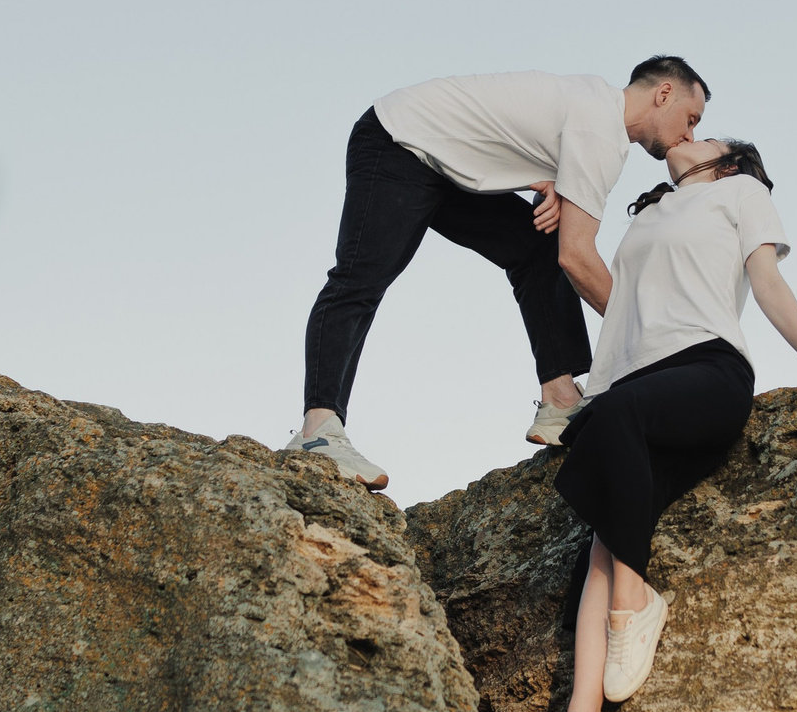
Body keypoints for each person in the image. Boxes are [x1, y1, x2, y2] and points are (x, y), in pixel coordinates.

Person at [536, 136, 797, 712]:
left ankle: (635, 605)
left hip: (707, 375)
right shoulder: (647, 215)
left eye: (709, 134)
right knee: (602, 536)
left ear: (731, 162)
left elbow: (767, 278)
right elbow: (619, 311)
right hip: (631, 388)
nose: (693, 133)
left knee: (617, 427)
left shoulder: (742, 194)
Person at [289, 58, 712, 490]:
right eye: (691, 118)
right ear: (663, 94)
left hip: (444, 165)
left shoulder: (594, 107)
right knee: (359, 280)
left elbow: (521, 146)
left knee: (535, 246)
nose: (689, 134)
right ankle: (316, 432)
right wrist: (651, 334)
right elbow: (578, 258)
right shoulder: (598, 127)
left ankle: (561, 399)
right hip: (397, 139)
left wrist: (546, 179)